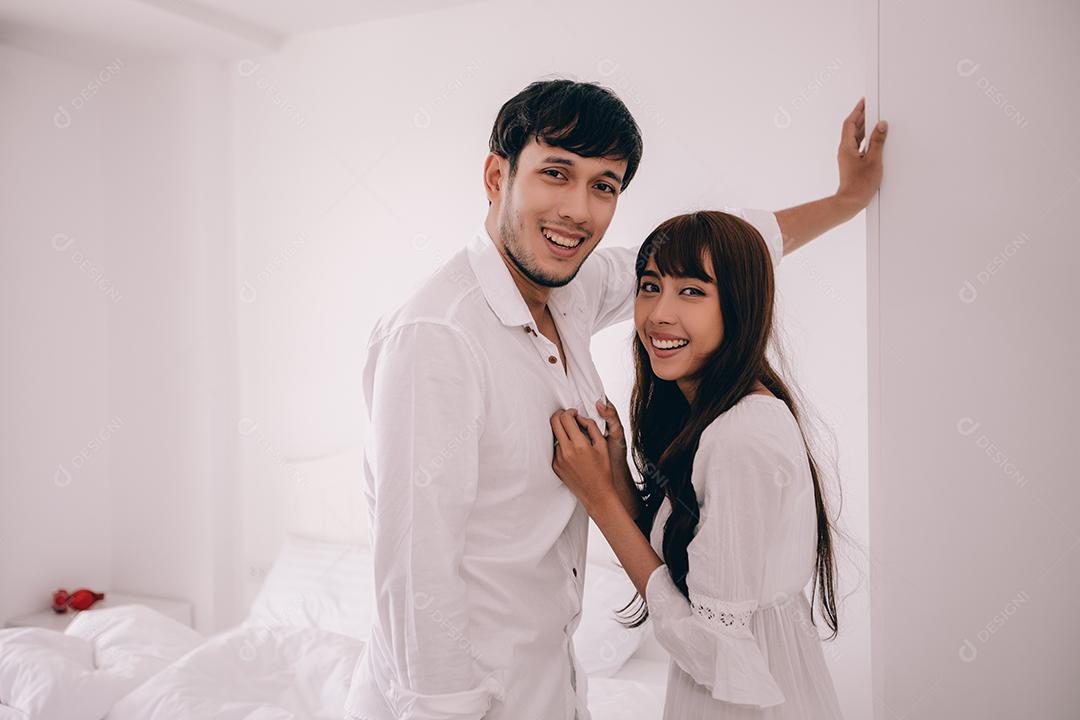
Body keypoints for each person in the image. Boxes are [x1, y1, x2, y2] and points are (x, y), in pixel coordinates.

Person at [344, 78, 885, 720]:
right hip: (466, 703)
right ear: (497, 176)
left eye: (604, 185)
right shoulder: (437, 340)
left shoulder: (569, 287)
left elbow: (719, 254)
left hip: (553, 685)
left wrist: (847, 201)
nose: (578, 209)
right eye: (556, 173)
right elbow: (415, 573)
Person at [550, 209, 848, 718]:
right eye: (649, 286)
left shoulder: (741, 437)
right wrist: (617, 477)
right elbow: (685, 566)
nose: (659, 313)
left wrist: (598, 500)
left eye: (692, 291)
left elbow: (713, 650)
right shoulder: (715, 417)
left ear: (739, 307)